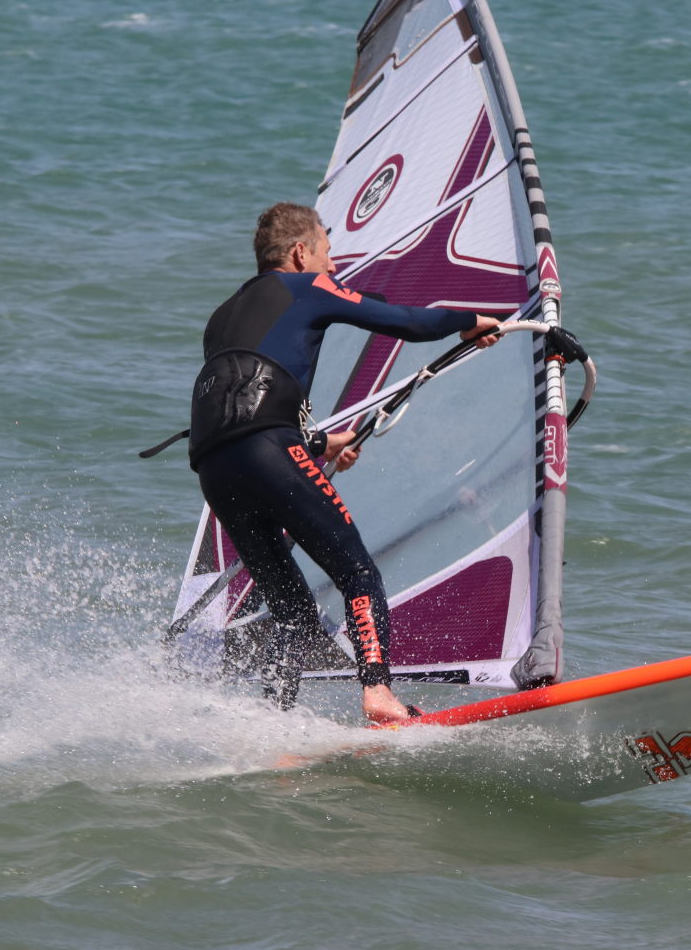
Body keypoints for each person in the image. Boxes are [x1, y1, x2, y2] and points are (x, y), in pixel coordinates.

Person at [189, 202, 500, 723]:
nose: (332, 266)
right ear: (299, 252)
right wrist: (470, 321)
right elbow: (404, 321)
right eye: (327, 253)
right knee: (357, 572)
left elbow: (238, 412)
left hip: (214, 468)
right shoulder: (307, 286)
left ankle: (274, 719)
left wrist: (318, 444)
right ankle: (378, 692)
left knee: (291, 609)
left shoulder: (220, 318)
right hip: (268, 449)